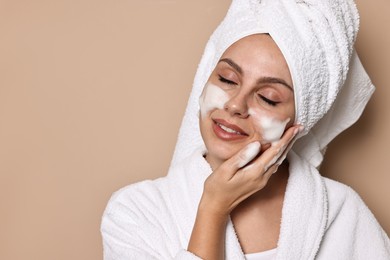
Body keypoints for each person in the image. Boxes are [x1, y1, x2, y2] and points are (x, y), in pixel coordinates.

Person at [101, 0, 390, 259]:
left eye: (268, 98)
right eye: (227, 79)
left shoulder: (343, 214)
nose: (236, 104)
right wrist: (212, 210)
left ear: (298, 124)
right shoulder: (136, 212)